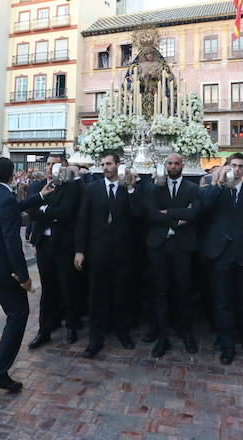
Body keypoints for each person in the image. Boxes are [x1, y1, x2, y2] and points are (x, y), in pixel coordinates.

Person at [0, 157, 53, 393]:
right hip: (3, 271)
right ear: (12, 175)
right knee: (18, 314)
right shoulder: (5, 198)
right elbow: (12, 242)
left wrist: (40, 196)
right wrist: (24, 276)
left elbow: (12, 207)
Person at [74, 151, 142, 357]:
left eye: (109, 163)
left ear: (118, 166)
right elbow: (83, 221)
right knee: (96, 296)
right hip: (98, 252)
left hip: (123, 252)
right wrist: (80, 250)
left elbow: (138, 214)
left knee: (122, 294)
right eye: (102, 164)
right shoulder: (92, 189)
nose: (105, 167)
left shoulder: (128, 188)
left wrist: (130, 188)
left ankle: (123, 332)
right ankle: (96, 338)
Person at [202, 154, 243, 365]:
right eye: (233, 166)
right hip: (219, 254)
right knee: (222, 302)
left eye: (240, 166)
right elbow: (204, 208)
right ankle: (226, 344)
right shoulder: (217, 191)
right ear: (227, 167)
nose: (237, 170)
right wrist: (217, 184)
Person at [143, 153, 202, 358]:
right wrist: (178, 216)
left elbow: (194, 214)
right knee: (159, 292)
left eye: (177, 163)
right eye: (170, 163)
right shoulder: (154, 187)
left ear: (182, 166)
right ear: (165, 165)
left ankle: (186, 333)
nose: (173, 166)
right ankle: (162, 337)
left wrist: (166, 213)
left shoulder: (192, 189)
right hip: (158, 246)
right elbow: (150, 213)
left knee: (183, 291)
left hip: (182, 247)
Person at [27, 154, 84, 349]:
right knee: (47, 289)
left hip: (64, 245)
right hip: (44, 243)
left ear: (64, 167)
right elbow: (31, 213)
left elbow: (66, 212)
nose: (50, 167)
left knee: (67, 287)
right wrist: (44, 212)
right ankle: (44, 330)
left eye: (54, 164)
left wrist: (44, 210)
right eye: (49, 164)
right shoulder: (38, 187)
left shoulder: (72, 187)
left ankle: (71, 326)